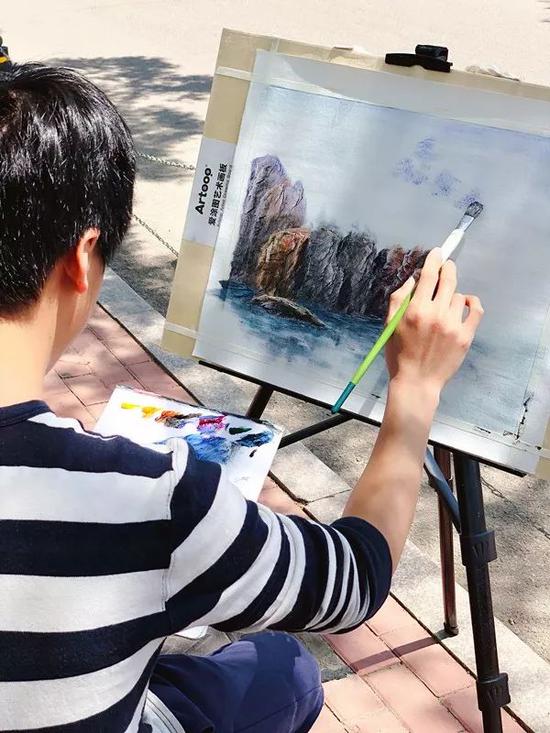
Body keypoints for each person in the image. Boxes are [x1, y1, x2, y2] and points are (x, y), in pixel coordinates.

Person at [0, 64, 483, 733]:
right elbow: (354, 579)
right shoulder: (141, 500)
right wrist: (417, 387)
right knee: (286, 669)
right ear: (82, 258)